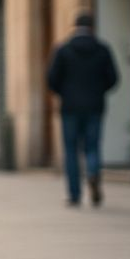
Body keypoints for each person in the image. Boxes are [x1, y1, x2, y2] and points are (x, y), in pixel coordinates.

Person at [46, 12, 119, 206]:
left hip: (69, 107)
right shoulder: (102, 49)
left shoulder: (63, 49)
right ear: (92, 28)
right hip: (94, 106)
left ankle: (75, 194)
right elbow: (113, 78)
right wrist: (98, 91)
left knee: (71, 150)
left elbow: (51, 79)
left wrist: (65, 92)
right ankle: (93, 173)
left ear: (74, 27)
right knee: (92, 146)